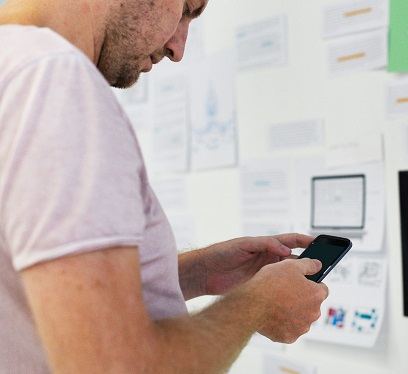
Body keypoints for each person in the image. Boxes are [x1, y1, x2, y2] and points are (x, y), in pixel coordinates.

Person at [0, 0, 329, 372]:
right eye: (187, 8)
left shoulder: (13, 63)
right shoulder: (53, 79)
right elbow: (117, 367)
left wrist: (194, 274)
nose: (178, 49)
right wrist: (256, 306)